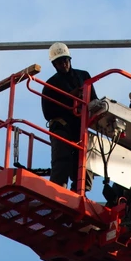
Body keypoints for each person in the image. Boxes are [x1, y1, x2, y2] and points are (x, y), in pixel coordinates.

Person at [41, 42, 97, 191]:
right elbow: (48, 114)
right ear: (54, 64)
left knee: (86, 160)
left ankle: (80, 190)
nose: (63, 64)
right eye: (59, 62)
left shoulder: (83, 76)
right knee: (62, 160)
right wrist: (69, 98)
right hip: (62, 127)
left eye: (65, 60)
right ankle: (57, 190)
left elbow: (94, 100)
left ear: (70, 59)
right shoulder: (50, 85)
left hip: (81, 126)